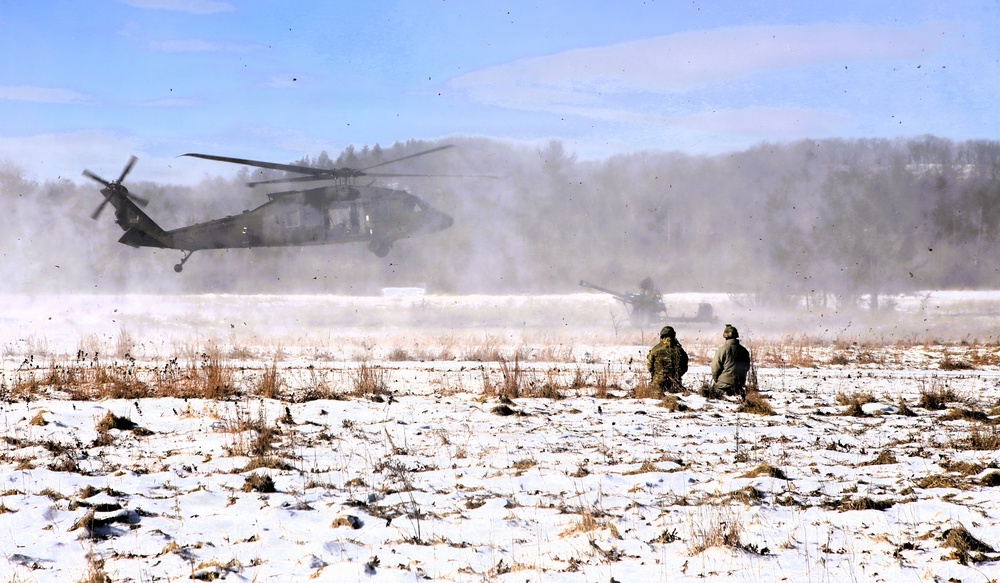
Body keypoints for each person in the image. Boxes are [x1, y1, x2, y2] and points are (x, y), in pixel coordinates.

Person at [711, 324, 752, 398]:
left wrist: (717, 380)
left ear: (725, 336)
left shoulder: (722, 350)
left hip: (723, 386)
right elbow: (747, 367)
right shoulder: (744, 351)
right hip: (739, 386)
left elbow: (715, 368)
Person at [646, 325, 688, 395]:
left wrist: (656, 376)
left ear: (662, 336)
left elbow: (649, 366)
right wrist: (677, 376)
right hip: (675, 385)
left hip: (657, 385)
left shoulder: (655, 349)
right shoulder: (680, 350)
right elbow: (684, 368)